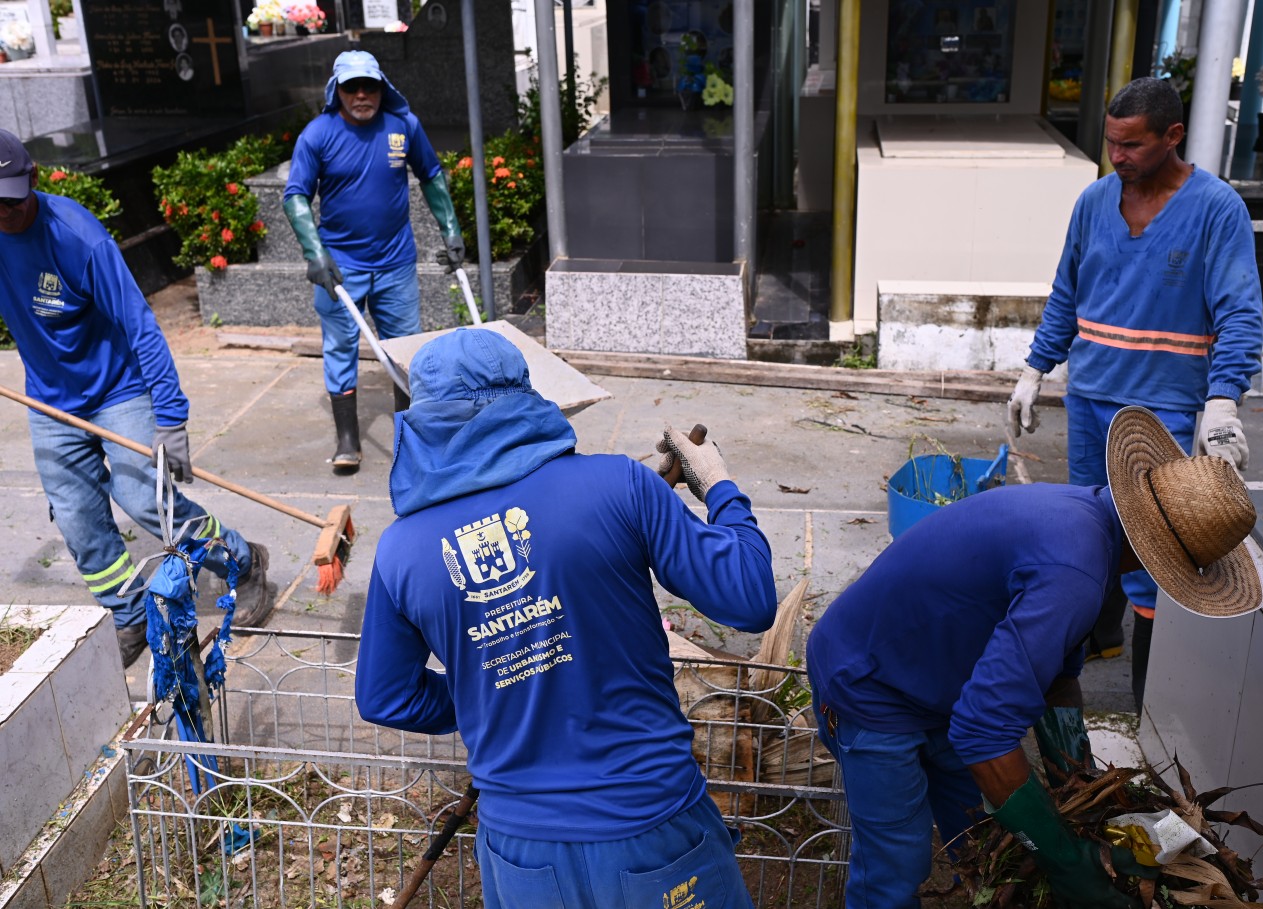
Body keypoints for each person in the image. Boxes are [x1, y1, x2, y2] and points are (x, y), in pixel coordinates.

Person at [354, 330, 778, 909]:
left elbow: (386, 697)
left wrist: (502, 688)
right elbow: (749, 598)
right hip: (651, 824)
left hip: (521, 852)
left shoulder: (400, 551)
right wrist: (720, 487)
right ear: (525, 397)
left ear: (422, 419)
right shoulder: (619, 484)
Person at [806, 405, 1261, 909]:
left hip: (934, 676)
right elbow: (982, 731)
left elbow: (1055, 677)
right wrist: (1065, 862)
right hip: (868, 684)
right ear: (1168, 558)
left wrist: (1083, 787)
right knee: (896, 866)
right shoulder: (1074, 570)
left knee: (979, 839)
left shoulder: (1088, 523)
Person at [1006, 76, 1262, 706]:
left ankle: (1152, 706)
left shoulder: (1216, 209)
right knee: (1087, 529)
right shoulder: (1094, 203)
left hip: (1164, 411)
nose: (1117, 156)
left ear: (1172, 137)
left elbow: (1238, 313)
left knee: (1160, 552)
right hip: (1091, 397)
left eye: (1132, 145)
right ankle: (1091, 645)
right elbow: (1068, 291)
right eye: (1110, 143)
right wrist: (1036, 368)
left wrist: (1223, 399)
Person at [0, 130, 273, 668]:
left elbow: (140, 325)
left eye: (9, 197)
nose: (2, 211)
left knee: (145, 499)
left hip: (116, 389)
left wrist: (170, 419)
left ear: (32, 179)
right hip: (51, 399)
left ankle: (244, 564)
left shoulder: (78, 238)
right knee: (78, 518)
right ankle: (126, 615)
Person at [283, 50, 465, 475]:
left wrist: (452, 232)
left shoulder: (404, 126)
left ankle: (411, 435)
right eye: (352, 86)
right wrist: (315, 254)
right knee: (341, 348)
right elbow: (296, 196)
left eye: (370, 86)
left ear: (383, 87)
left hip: (395, 262)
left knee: (405, 348)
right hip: (340, 267)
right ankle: (348, 439)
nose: (361, 94)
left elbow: (432, 177)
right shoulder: (317, 134)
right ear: (337, 90)